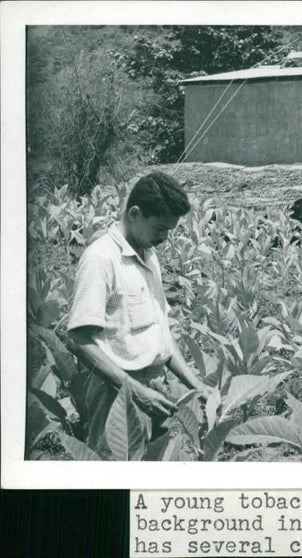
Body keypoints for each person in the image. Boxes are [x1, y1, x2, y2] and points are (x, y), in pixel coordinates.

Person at [66, 171, 216, 458]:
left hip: (153, 389)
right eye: (160, 228)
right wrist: (133, 391)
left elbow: (161, 335)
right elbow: (78, 339)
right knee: (114, 476)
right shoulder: (101, 259)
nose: (165, 238)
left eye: (169, 230)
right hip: (115, 393)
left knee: (150, 469)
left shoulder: (148, 255)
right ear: (134, 213)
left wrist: (197, 386)